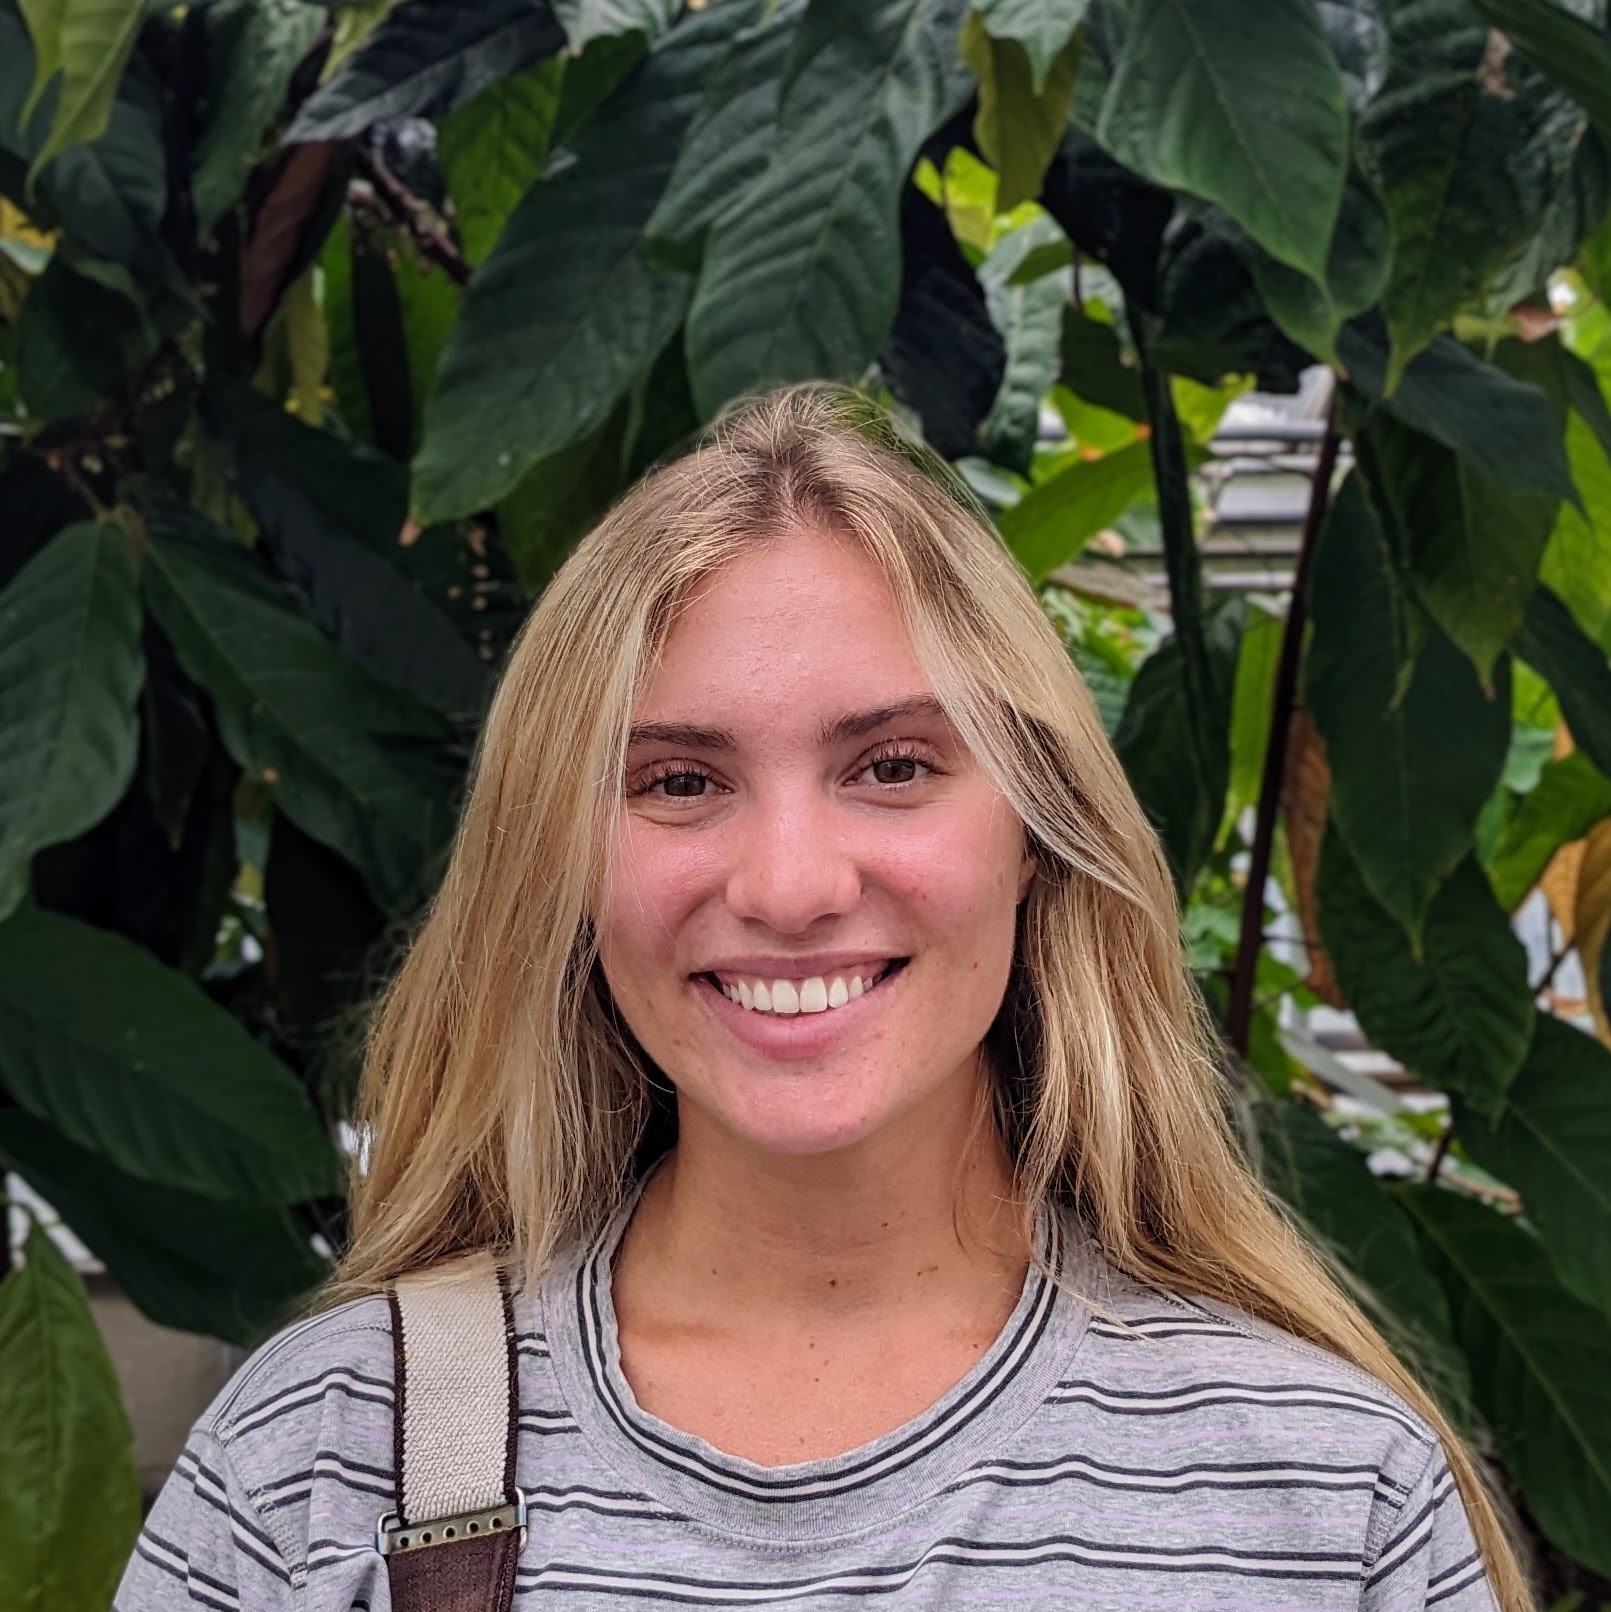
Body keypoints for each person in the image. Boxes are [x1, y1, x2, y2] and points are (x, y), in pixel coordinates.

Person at [116, 385, 1526, 1611]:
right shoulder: (322, 1459)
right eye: (678, 781)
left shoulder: (1326, 1503)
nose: (789, 886)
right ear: (562, 868)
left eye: (894, 766)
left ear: (1036, 832)